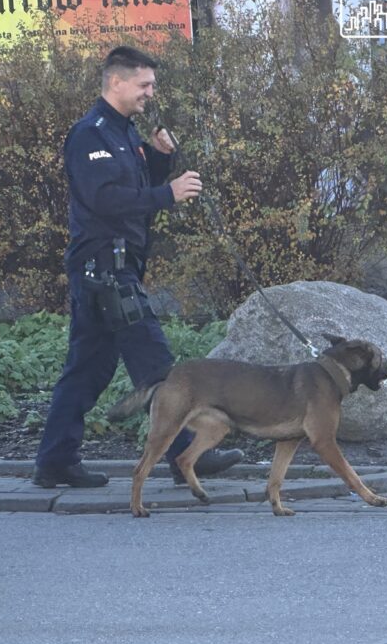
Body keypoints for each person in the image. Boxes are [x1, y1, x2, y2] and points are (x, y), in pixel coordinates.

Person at [32, 46, 245, 489]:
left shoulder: (125, 134)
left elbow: (133, 196)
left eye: (152, 85)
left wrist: (159, 160)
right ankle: (187, 455)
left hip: (114, 267)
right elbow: (106, 200)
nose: (151, 93)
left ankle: (55, 460)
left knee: (87, 370)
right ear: (117, 82)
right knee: (158, 364)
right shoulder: (90, 135)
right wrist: (168, 192)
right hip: (102, 271)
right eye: (145, 85)